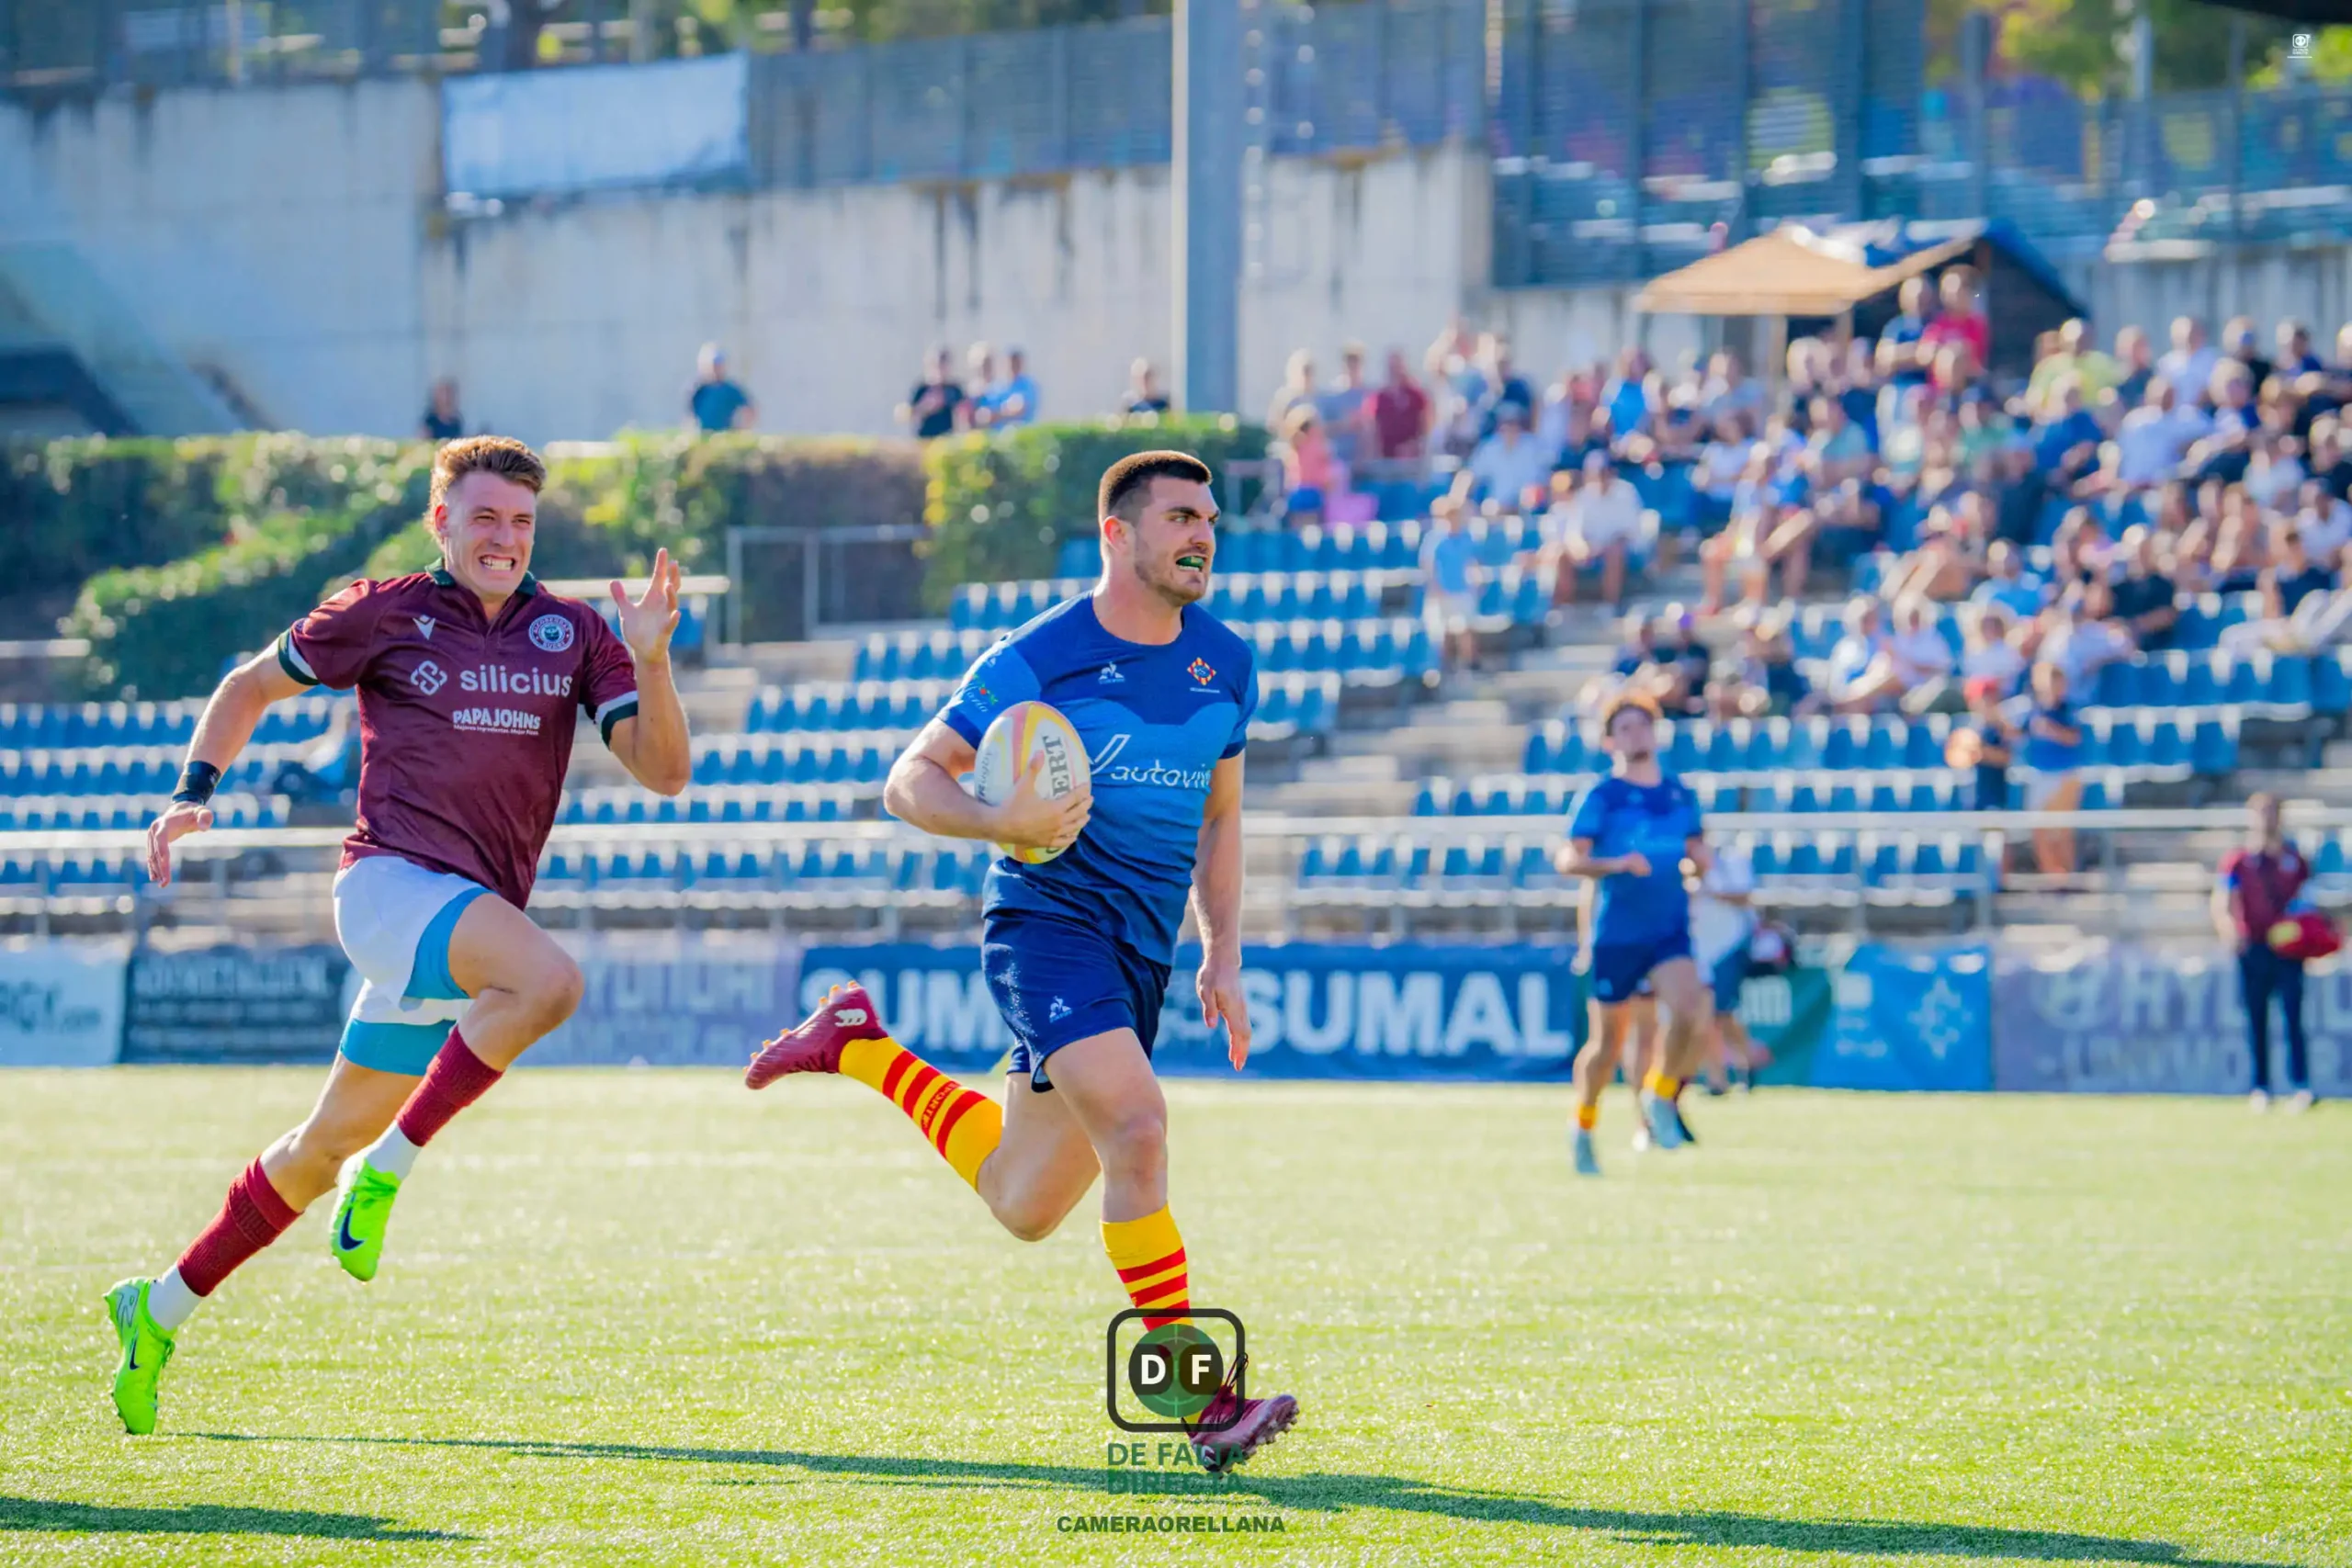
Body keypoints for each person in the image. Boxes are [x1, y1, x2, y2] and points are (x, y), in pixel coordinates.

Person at [104, 437, 693, 1436]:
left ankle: (158, 1307)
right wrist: (190, 796)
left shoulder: (578, 632)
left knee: (316, 1146)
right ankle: (393, 1167)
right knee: (548, 984)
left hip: (458, 929)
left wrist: (649, 656)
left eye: (520, 522)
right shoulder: (382, 610)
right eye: (484, 518)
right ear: (442, 523)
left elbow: (665, 771)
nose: (504, 538)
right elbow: (249, 686)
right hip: (387, 890)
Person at [742, 450, 1297, 1472]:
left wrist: (1222, 952)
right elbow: (911, 780)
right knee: (1137, 1125)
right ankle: (1202, 1403)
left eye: (1209, 519)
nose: (1202, 535)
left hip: (1142, 954)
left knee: (1025, 1202)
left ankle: (859, 1048)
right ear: (1116, 536)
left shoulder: (1228, 659)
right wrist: (998, 817)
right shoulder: (1039, 654)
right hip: (1047, 928)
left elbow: (1222, 818)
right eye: (1180, 516)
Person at [1555, 691, 1713, 1178]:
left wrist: (1701, 866)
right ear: (1609, 741)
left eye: (1642, 725)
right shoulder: (1603, 796)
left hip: (1667, 928)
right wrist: (1615, 864)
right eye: (1624, 728)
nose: (1635, 734)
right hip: (1616, 933)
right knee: (1606, 1047)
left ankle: (1661, 1095)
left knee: (1691, 1012)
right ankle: (1582, 1128)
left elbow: (1696, 851)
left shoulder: (1679, 793)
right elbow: (1568, 859)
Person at [2213, 794, 2317, 1111]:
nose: (2266, 819)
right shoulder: (2238, 860)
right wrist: (2229, 932)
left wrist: (2302, 934)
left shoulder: (2294, 859)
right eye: (2260, 813)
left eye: (2271, 812)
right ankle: (2261, 1087)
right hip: (2254, 948)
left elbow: (2308, 903)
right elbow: (2222, 900)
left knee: (2292, 1017)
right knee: (2256, 1019)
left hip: (2288, 951)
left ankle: (2301, 1085)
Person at [1688, 838, 1760, 1093]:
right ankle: (1716, 1078)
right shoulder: (1683, 870)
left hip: (1730, 946)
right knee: (1705, 1015)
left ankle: (1747, 1063)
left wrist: (1710, 890)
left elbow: (1745, 895)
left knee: (1725, 1013)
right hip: (1699, 951)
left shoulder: (1731, 862)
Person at [2019, 660, 2084, 875]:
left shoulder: (2068, 709)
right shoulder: (2033, 710)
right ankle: (2052, 877)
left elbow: (2075, 738)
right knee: (2039, 829)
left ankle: (2069, 875)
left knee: (2062, 830)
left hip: (2063, 775)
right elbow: (2017, 735)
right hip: (2038, 774)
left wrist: (2052, 731)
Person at [1419, 497, 1482, 672]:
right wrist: (1435, 588)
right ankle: (1441, 668)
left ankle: (1471, 664)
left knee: (1464, 628)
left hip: (1461, 590)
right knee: (1440, 632)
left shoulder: (1465, 537)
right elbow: (1428, 565)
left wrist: (1476, 578)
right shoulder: (1435, 539)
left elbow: (1472, 560)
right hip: (1441, 592)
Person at [1371, 349, 1431, 460]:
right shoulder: (1380, 398)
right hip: (1387, 458)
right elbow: (1374, 428)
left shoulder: (1416, 395)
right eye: (1392, 367)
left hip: (1413, 457)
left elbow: (1426, 425)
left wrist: (1414, 446)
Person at [899, 347, 967, 438]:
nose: (940, 369)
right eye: (937, 365)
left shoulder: (955, 389)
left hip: (947, 440)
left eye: (943, 365)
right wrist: (926, 407)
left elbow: (963, 415)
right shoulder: (922, 388)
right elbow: (906, 416)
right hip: (924, 439)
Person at [688, 344, 755, 433]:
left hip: (724, 437)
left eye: (718, 365)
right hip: (703, 436)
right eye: (713, 365)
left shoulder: (730, 390)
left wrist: (741, 430)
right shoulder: (698, 390)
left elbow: (750, 409)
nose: (715, 368)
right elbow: (689, 415)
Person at [420, 378, 464, 443]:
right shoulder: (430, 421)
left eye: (449, 394)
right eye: (443, 394)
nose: (446, 398)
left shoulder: (456, 422)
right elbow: (422, 441)